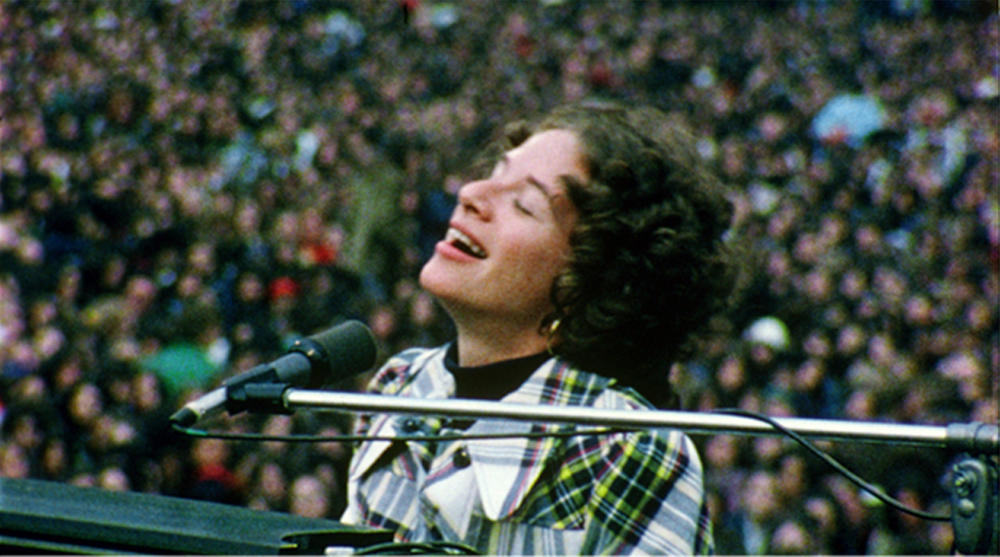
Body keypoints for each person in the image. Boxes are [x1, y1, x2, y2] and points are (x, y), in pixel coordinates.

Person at [340, 101, 741, 555]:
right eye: (494, 171)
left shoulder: (627, 449)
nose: (472, 191)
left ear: (588, 281)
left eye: (525, 205)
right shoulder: (399, 385)